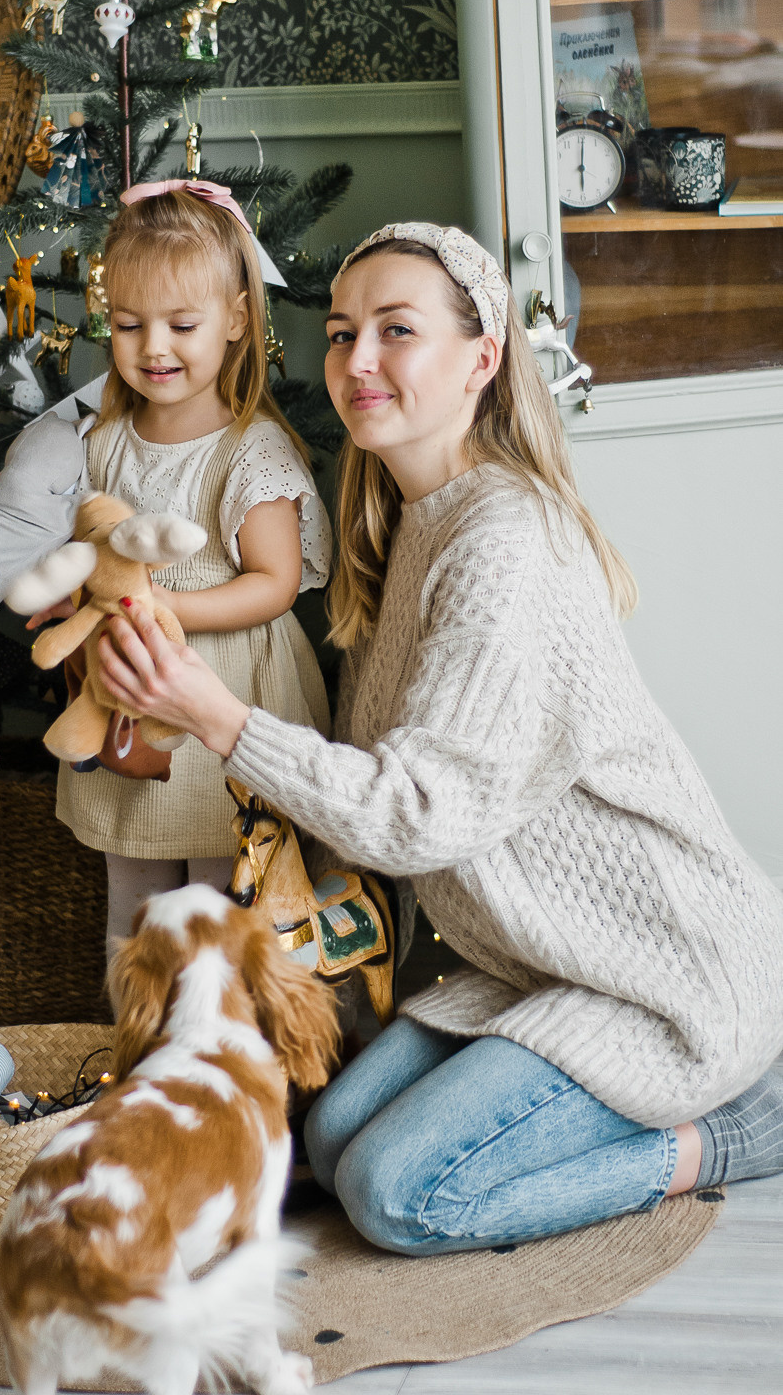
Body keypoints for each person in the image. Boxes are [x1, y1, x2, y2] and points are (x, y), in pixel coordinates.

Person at [93, 220, 783, 1253]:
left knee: (392, 1194)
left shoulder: (503, 547)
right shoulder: (409, 523)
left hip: (659, 979)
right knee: (326, 1139)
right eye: (337, 332)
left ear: (481, 357)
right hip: (536, 967)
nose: (355, 360)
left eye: (394, 330)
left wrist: (214, 715)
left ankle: (734, 1132)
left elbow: (412, 815)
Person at [42, 180, 332, 943]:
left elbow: (273, 586)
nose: (154, 347)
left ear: (237, 318)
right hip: (129, 691)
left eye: (181, 324)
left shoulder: (250, 449)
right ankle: (134, 1043)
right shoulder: (101, 440)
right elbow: (89, 549)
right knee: (134, 893)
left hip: (224, 691)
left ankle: (213, 1045)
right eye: (130, 325)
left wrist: (170, 610)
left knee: (218, 894)